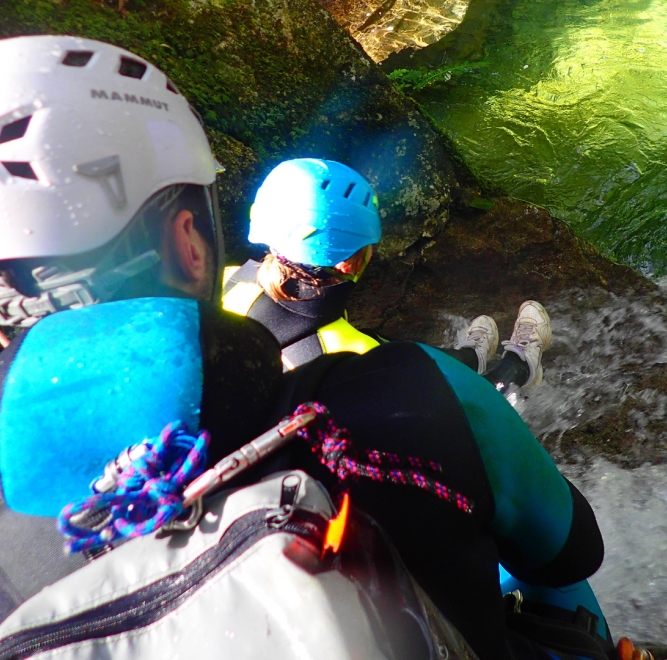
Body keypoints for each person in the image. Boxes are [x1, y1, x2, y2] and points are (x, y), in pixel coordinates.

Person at [0, 35, 627, 660]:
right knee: (505, 505)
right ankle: (512, 366)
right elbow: (576, 553)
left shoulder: (15, 547)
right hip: (421, 477)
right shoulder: (399, 388)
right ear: (188, 240)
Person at [224, 157, 551, 395]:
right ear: (350, 264)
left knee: (411, 357)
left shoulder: (226, 282)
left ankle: (469, 357)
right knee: (463, 393)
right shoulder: (360, 357)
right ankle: (520, 367)